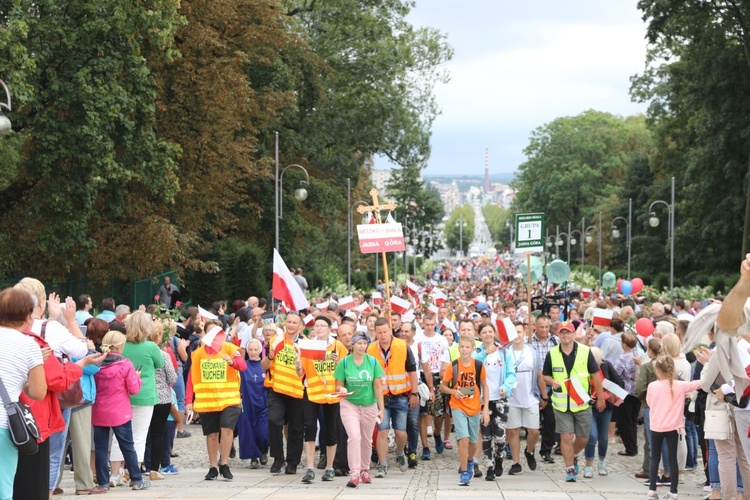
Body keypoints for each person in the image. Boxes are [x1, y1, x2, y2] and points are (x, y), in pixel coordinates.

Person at [542, 320, 606, 482]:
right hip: (561, 404)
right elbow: (545, 375)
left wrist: (600, 398)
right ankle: (570, 469)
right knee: (565, 437)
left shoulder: (585, 351)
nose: (565, 335)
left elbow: (595, 376)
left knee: (584, 438)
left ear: (573, 334)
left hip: (581, 402)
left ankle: (574, 454)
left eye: (568, 332)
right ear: (558, 334)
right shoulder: (552, 353)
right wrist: (551, 382)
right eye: (562, 332)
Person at [0, 288, 47, 500]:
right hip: (3, 424)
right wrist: (23, 384)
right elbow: (38, 392)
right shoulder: (29, 345)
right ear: (28, 316)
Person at [185, 320, 245, 480]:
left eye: (217, 333)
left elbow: (242, 365)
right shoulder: (198, 354)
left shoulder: (231, 349)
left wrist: (232, 362)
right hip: (208, 401)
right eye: (210, 332)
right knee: (211, 434)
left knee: (227, 429)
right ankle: (213, 467)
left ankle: (224, 464)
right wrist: (188, 401)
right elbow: (192, 378)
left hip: (229, 400)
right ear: (205, 334)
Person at [110, 311, 164, 486]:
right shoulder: (151, 347)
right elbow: (160, 364)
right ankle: (134, 473)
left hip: (123, 394)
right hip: (145, 394)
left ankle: (115, 474)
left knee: (120, 436)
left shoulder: (122, 345)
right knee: (139, 436)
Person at [91, 330, 149, 493]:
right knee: (127, 446)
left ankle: (103, 483)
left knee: (101, 448)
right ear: (120, 346)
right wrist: (137, 377)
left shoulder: (96, 363)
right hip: (119, 412)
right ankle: (136, 480)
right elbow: (133, 389)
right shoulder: (125, 364)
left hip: (100, 411)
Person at [367, 317, 420, 477]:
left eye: (385, 332)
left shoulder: (402, 346)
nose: (383, 335)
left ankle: (399, 451)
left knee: (401, 432)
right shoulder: (370, 349)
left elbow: (412, 370)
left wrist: (415, 393)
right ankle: (383, 464)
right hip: (381, 397)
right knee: (382, 431)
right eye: (379, 333)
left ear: (391, 330)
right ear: (375, 333)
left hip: (401, 395)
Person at [299, 316, 347, 483]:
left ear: (329, 328)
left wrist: (339, 362)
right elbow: (301, 372)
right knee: (310, 427)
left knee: (330, 429)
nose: (319, 328)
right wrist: (298, 367)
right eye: (316, 326)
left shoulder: (337, 345)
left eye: (322, 325)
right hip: (312, 391)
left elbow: (346, 370)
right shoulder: (307, 345)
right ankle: (310, 468)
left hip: (331, 394)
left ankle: (330, 468)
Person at [646, 355, 701, 500]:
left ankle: (652, 489)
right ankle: (674, 491)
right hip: (673, 427)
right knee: (672, 459)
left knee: (655, 458)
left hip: (656, 426)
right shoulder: (680, 385)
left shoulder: (652, 386)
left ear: (657, 370)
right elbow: (698, 384)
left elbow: (649, 402)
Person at [334, 333, 385, 488]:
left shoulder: (373, 362)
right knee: (354, 437)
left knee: (367, 439)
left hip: (369, 405)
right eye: (359, 343)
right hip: (350, 405)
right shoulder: (344, 363)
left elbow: (377, 386)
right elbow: (337, 385)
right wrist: (341, 388)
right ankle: (354, 472)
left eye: (364, 343)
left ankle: (365, 469)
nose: (362, 346)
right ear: (353, 345)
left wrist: (381, 408)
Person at [440, 335, 490, 487]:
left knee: (473, 443)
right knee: (464, 439)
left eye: (468, 347)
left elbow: (485, 387)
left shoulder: (478, 365)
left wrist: (485, 408)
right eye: (462, 347)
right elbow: (442, 386)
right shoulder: (453, 366)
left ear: (473, 349)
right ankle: (464, 472)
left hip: (474, 407)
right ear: (458, 348)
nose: (464, 350)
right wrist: (453, 392)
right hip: (457, 406)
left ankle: (470, 461)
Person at [261, 312, 306, 474]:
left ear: (300, 326)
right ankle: (278, 457)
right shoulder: (276, 340)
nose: (291, 325)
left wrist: (299, 366)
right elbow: (263, 366)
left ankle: (293, 462)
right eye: (289, 322)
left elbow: (305, 373)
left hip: (297, 392)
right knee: (273, 421)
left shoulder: (306, 344)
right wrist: (270, 356)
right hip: (277, 389)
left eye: (295, 322)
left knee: (296, 428)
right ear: (285, 323)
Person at [473, 321, 516, 480]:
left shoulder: (504, 352)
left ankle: (499, 458)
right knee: (485, 435)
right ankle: (489, 467)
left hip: (501, 400)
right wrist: (484, 353)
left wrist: (506, 386)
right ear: (479, 335)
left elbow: (512, 374)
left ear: (494, 333)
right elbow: (473, 367)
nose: (487, 335)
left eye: (490, 332)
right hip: (484, 400)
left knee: (499, 436)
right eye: (484, 332)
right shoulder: (477, 352)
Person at [507, 321, 545, 475]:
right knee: (513, 431)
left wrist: (544, 396)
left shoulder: (532, 352)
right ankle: (516, 462)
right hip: (512, 398)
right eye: (514, 332)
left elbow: (539, 376)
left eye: (519, 332)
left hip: (530, 396)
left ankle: (529, 451)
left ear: (524, 333)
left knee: (534, 431)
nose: (517, 335)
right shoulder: (505, 352)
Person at [143, 321, 178, 481]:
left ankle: (138, 464)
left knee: (142, 433)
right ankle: (154, 468)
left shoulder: (141, 353)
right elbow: (172, 377)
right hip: (162, 398)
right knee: (158, 433)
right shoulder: (163, 355)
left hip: (143, 396)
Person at [582, 347, 624, 479]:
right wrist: (587, 396)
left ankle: (601, 462)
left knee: (603, 437)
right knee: (592, 436)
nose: (597, 365)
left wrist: (606, 394)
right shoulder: (583, 367)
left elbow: (620, 383)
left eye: (598, 362)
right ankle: (588, 465)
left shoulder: (606, 365)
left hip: (605, 406)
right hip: (589, 407)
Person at [414, 314, 447, 461]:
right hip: (421, 376)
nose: (429, 327)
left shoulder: (442, 339)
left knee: (438, 413)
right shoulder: (418, 339)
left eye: (431, 324)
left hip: (437, 375)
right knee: (422, 413)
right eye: (426, 324)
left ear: (435, 324)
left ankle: (437, 433)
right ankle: (425, 447)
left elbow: (446, 358)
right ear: (423, 324)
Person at [530, 314, 558, 464]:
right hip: (532, 385)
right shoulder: (528, 341)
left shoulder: (555, 341)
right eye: (541, 327)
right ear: (535, 326)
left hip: (550, 383)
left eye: (547, 327)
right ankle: (530, 450)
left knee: (550, 420)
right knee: (532, 422)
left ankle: (546, 450)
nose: (544, 330)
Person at [238, 339, 269, 468]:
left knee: (263, 431)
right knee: (249, 430)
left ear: (260, 351)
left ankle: (263, 451)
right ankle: (253, 456)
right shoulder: (243, 366)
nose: (253, 352)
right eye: (250, 349)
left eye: (256, 350)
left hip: (263, 403)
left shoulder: (265, 366)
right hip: (247, 402)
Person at [613, 332, 641, 457]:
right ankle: (633, 446)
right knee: (633, 421)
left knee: (625, 422)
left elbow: (615, 374)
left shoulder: (623, 358)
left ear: (624, 344)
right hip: (638, 392)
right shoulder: (640, 353)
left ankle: (630, 448)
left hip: (626, 392)